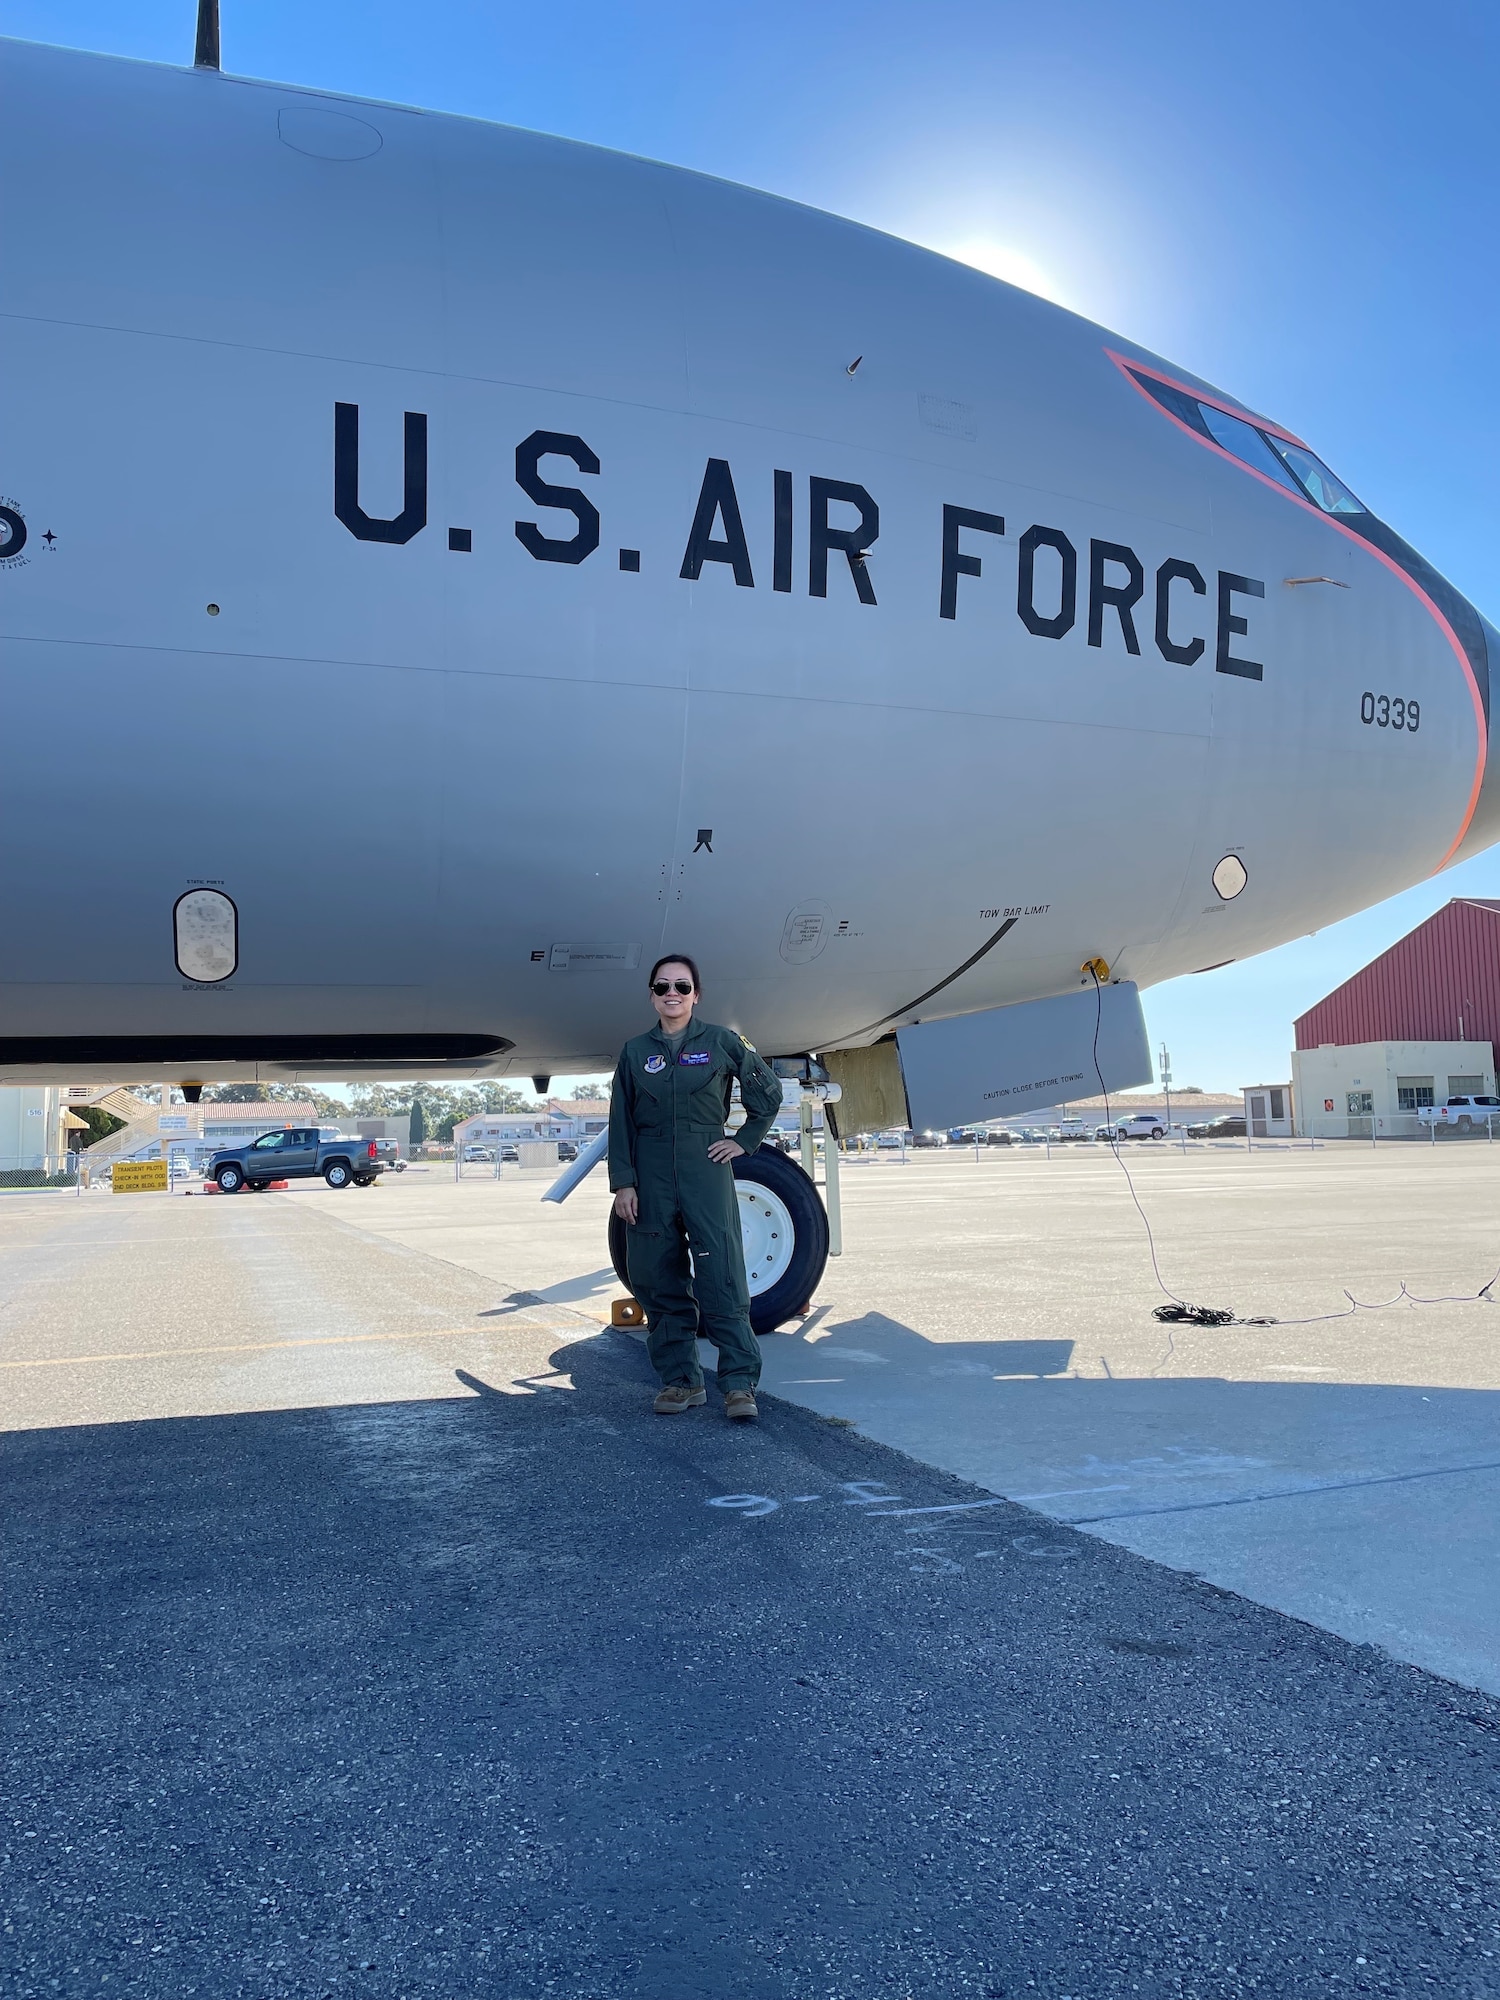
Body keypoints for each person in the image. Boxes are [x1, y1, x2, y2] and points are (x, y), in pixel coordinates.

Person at [608, 953, 784, 1420]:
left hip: (705, 1166)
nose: (673, 995)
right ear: (652, 994)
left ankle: (739, 1385)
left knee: (721, 1272)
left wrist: (744, 1141)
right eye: (663, 987)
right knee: (656, 1275)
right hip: (650, 1171)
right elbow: (620, 1122)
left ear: (696, 994)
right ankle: (680, 1382)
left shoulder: (723, 1041)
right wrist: (624, 1183)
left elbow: (767, 1093)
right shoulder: (633, 1051)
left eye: (682, 987)